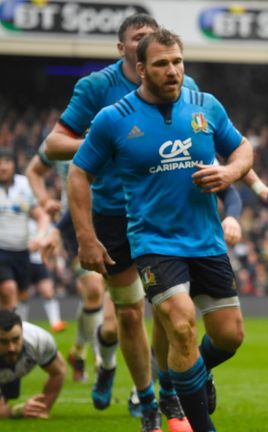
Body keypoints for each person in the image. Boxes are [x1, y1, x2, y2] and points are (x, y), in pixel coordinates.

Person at [68, 28, 252, 432]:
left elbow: (242, 148)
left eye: (177, 62)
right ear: (141, 69)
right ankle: (196, 421)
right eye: (161, 64)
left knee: (229, 337)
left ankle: (183, 378)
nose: (172, 71)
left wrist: (231, 170)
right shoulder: (113, 119)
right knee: (182, 324)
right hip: (154, 242)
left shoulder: (206, 106)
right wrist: (86, 236)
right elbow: (79, 173)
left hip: (206, 240)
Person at [42, 14, 194, 431]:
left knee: (168, 311)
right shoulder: (96, 87)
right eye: (138, 38)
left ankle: (168, 393)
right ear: (123, 48)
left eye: (153, 37)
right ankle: (145, 399)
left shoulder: (183, 83)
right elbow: (53, 145)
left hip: (163, 215)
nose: (148, 43)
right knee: (127, 315)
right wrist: (101, 144)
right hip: (111, 214)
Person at [25, 149, 107, 384]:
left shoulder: (111, 127)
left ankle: (78, 352)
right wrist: (44, 201)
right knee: (93, 289)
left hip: (109, 218)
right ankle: (99, 358)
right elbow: (33, 170)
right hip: (73, 223)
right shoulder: (62, 138)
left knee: (100, 296)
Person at [0, 148, 50, 312]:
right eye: (0, 162)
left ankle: (17, 333)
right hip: (1, 250)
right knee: (9, 289)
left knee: (22, 295)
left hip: (22, 251)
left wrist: (40, 237)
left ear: (14, 164)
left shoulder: (24, 185)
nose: (3, 166)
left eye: (7, 162)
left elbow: (41, 216)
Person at [0, 310, 65, 419]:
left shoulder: (39, 340)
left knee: (10, 394)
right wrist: (18, 411)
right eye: (3, 342)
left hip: (12, 370)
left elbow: (58, 372)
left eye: (16, 339)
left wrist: (42, 409)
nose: (11, 348)